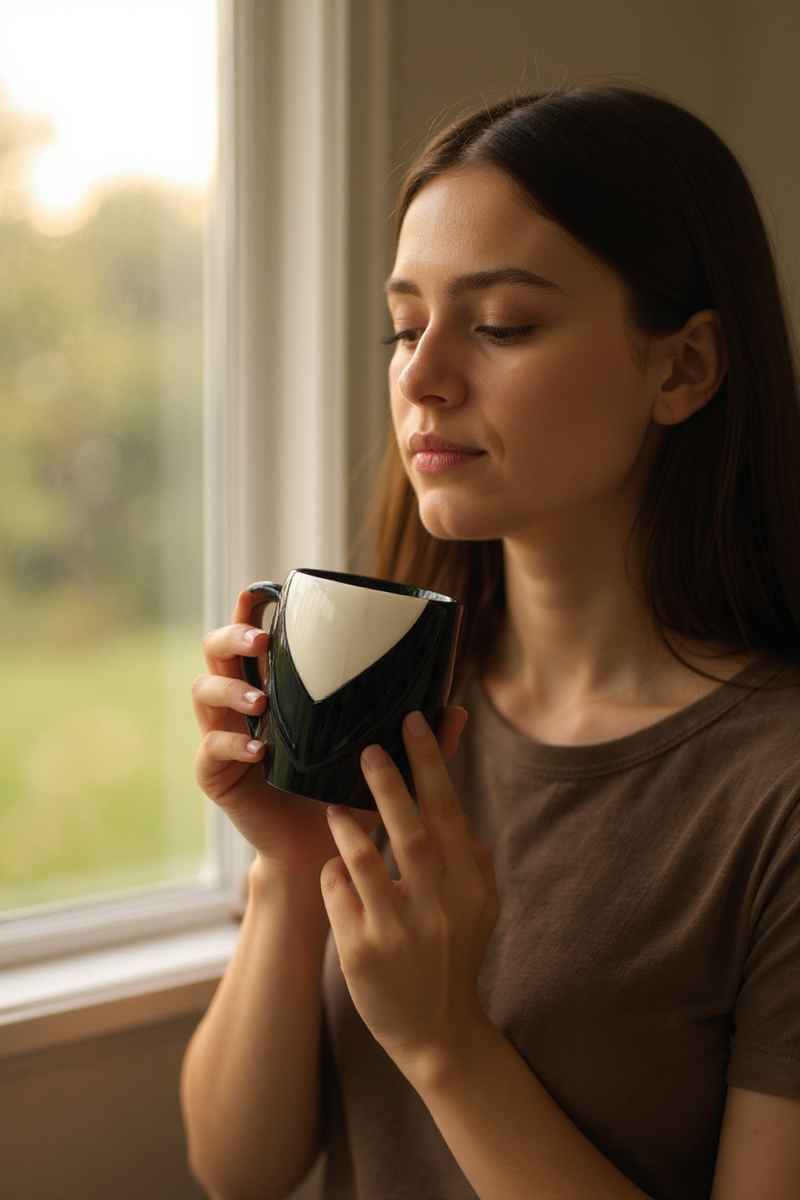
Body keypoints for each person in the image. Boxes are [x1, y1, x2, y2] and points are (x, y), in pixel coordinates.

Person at [180, 85, 800, 1200]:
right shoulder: (390, 714)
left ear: (684, 368)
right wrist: (288, 864)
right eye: (404, 325)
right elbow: (238, 1169)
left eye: (501, 324)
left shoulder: (772, 793)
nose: (419, 378)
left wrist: (445, 1045)